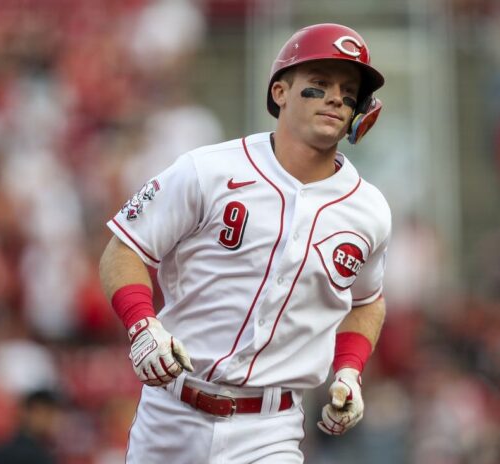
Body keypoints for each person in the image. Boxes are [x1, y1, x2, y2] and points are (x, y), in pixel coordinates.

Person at [99, 23, 391, 463]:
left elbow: (367, 301)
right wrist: (142, 325)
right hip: (171, 414)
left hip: (269, 429)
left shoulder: (368, 210)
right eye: (320, 84)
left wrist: (349, 371)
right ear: (280, 92)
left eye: (349, 92)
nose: (336, 98)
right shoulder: (208, 169)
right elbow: (123, 250)